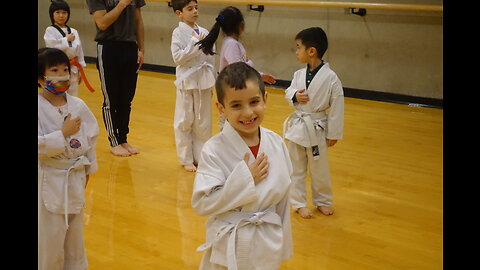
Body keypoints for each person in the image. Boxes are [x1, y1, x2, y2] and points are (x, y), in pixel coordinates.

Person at [192, 62, 293, 270]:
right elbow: (202, 203)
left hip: (267, 241)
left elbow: (283, 199)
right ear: (221, 108)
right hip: (230, 242)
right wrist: (246, 179)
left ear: (265, 100)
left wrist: (284, 246)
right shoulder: (213, 149)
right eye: (236, 105)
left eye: (254, 102)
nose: (248, 113)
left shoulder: (276, 143)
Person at [38, 47, 99, 270]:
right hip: (49, 178)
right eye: (54, 70)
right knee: (50, 236)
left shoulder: (78, 105)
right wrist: (62, 133)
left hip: (75, 176)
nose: (62, 74)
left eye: (65, 69)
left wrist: (89, 169)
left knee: (75, 238)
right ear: (40, 78)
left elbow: (91, 139)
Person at [283, 27, 344, 218]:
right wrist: (294, 95)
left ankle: (323, 201)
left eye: (298, 47)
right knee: (296, 168)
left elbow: (337, 106)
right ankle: (299, 202)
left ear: (312, 51)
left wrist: (333, 134)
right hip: (298, 126)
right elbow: (288, 91)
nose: (296, 51)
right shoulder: (298, 75)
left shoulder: (331, 78)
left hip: (317, 127)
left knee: (319, 169)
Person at [196, 5, 276, 129]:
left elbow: (240, 66)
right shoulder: (231, 44)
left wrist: (258, 74)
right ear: (241, 26)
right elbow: (238, 69)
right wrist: (250, 64)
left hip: (234, 90)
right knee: (229, 130)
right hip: (230, 90)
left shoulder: (232, 43)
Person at [86, 0, 145, 157]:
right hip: (108, 48)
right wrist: (122, 4)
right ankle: (114, 141)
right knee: (111, 99)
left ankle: (123, 138)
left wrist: (141, 48)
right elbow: (102, 23)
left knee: (126, 99)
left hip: (130, 48)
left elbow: (138, 20)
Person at [170, 0, 216, 172]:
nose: (195, 11)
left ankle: (201, 157)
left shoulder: (204, 31)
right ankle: (186, 158)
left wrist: (212, 82)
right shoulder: (178, 33)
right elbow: (178, 58)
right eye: (190, 9)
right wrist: (195, 43)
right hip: (186, 81)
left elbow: (211, 58)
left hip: (204, 80)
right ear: (179, 13)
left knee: (203, 121)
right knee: (184, 120)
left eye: (196, 8)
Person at [44, 0, 95, 96]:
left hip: (73, 68)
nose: (61, 15)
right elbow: (52, 48)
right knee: (59, 93)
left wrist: (80, 70)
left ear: (68, 14)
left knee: (73, 93)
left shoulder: (73, 31)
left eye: (64, 12)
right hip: (57, 68)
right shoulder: (50, 30)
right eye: (57, 12)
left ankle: (71, 111)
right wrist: (65, 40)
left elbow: (79, 51)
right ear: (52, 14)